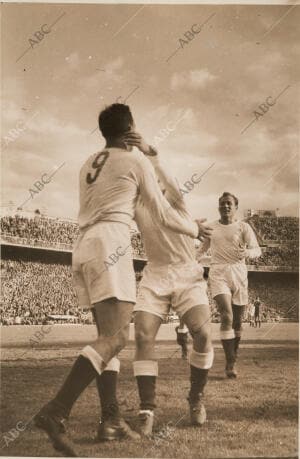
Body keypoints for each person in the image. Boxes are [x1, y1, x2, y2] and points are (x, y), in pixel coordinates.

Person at [33, 103, 208, 455]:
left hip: (82, 246)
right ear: (131, 130)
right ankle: (56, 410)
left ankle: (110, 420)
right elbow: (161, 212)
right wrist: (195, 230)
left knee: (105, 338)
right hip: (110, 243)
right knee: (116, 339)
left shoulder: (89, 163)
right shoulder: (136, 161)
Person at [122, 141, 213, 436]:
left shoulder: (176, 199)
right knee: (143, 334)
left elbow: (166, 174)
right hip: (156, 274)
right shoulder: (137, 204)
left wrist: (149, 150)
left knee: (203, 333)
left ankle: (196, 397)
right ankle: (147, 408)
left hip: (186, 272)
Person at [199, 192, 261, 378]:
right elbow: (202, 249)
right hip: (218, 272)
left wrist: (247, 254)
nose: (225, 206)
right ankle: (230, 363)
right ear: (218, 207)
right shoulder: (211, 227)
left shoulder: (243, 227)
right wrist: (190, 260)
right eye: (222, 204)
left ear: (235, 207)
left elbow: (256, 250)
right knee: (226, 315)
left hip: (239, 273)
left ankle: (233, 356)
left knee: (237, 321)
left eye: (228, 204)